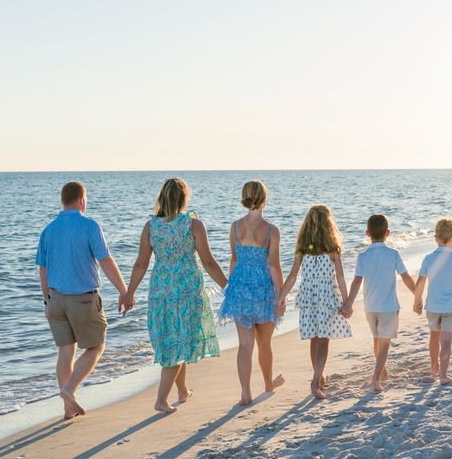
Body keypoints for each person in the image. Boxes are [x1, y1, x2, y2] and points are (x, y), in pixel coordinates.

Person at [125, 178, 227, 414]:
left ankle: (182, 391)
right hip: (187, 291)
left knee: (176, 339)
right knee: (178, 342)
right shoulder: (193, 225)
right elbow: (209, 262)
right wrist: (227, 287)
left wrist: (129, 293)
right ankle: (161, 400)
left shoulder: (151, 226)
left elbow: (140, 264)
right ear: (184, 199)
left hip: (160, 292)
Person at [36, 181, 132, 419]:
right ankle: (69, 390)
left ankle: (68, 410)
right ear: (81, 200)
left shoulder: (48, 229)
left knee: (65, 351)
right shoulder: (89, 226)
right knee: (96, 346)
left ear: (62, 201)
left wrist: (47, 300)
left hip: (55, 299)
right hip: (82, 300)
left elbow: (43, 269)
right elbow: (105, 260)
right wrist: (124, 290)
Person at [219, 180, 286, 406]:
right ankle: (267, 383)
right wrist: (282, 294)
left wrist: (232, 289)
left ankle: (245, 394)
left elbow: (234, 261)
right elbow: (274, 266)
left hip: (240, 287)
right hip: (263, 288)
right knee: (264, 343)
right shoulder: (270, 230)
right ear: (265, 199)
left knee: (244, 345)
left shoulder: (235, 227)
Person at [276, 204, 351, 400]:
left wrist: (281, 297)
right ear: (329, 225)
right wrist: (346, 301)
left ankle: (319, 376)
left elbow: (292, 277)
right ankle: (315, 381)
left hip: (308, 298)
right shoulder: (333, 249)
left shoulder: (303, 249)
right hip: (326, 298)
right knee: (323, 341)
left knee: (314, 339)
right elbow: (341, 278)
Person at [342, 213, 416, 392]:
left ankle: (381, 371)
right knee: (384, 342)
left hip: (370, 307)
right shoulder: (393, 254)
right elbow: (405, 277)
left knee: (377, 340)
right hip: (389, 307)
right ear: (387, 233)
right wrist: (417, 295)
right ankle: (376, 377)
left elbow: (357, 281)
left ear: (367, 233)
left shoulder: (362, 256)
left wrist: (349, 303)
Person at [412, 218, 452, 384]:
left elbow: (420, 283)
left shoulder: (428, 259)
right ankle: (443, 374)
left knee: (434, 336)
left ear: (436, 238)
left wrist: (417, 301)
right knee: (447, 340)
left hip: (432, 307)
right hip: (451, 309)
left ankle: (434, 366)